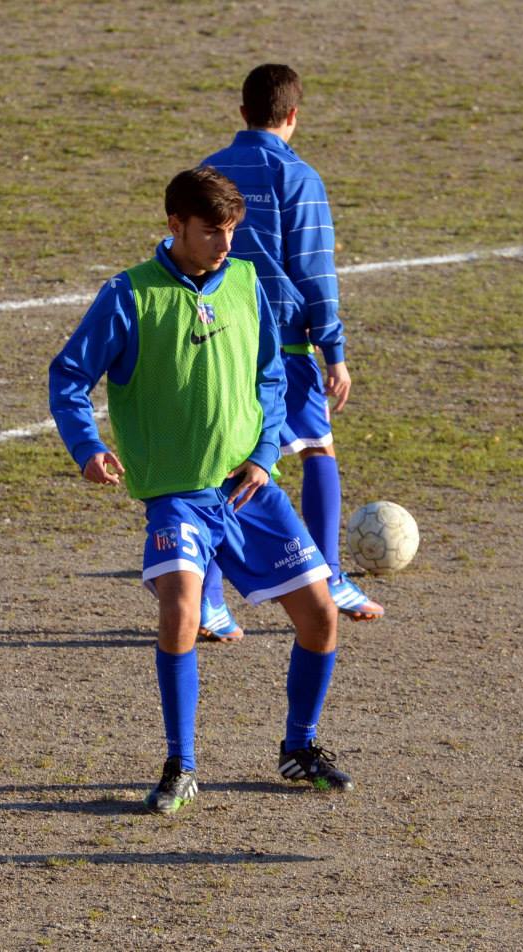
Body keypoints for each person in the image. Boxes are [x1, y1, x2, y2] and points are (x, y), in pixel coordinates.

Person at [48, 166, 354, 814]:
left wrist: (265, 456)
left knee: (321, 615)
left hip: (248, 489)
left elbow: (271, 376)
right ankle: (180, 765)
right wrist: (87, 447)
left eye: (232, 231)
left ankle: (299, 747)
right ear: (175, 225)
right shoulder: (130, 295)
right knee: (182, 612)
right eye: (212, 232)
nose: (225, 244)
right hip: (179, 496)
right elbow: (69, 376)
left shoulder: (244, 281)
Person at [197, 63, 383, 642]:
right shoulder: (298, 176)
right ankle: (330, 577)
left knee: (221, 463)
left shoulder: (209, 172)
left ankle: (205, 601)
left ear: (242, 111)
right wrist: (334, 351)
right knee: (318, 448)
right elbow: (314, 270)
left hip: (216, 339)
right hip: (280, 342)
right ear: (294, 115)